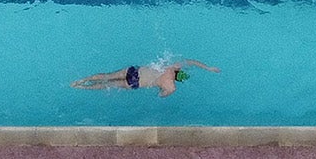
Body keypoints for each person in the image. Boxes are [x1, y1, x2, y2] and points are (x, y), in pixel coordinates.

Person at [72, 57, 219, 97]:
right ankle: (81, 88)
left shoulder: (170, 68)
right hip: (137, 83)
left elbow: (190, 61)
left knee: (108, 76)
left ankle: (82, 80)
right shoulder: (171, 87)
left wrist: (208, 67)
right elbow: (161, 95)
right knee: (109, 85)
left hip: (135, 71)